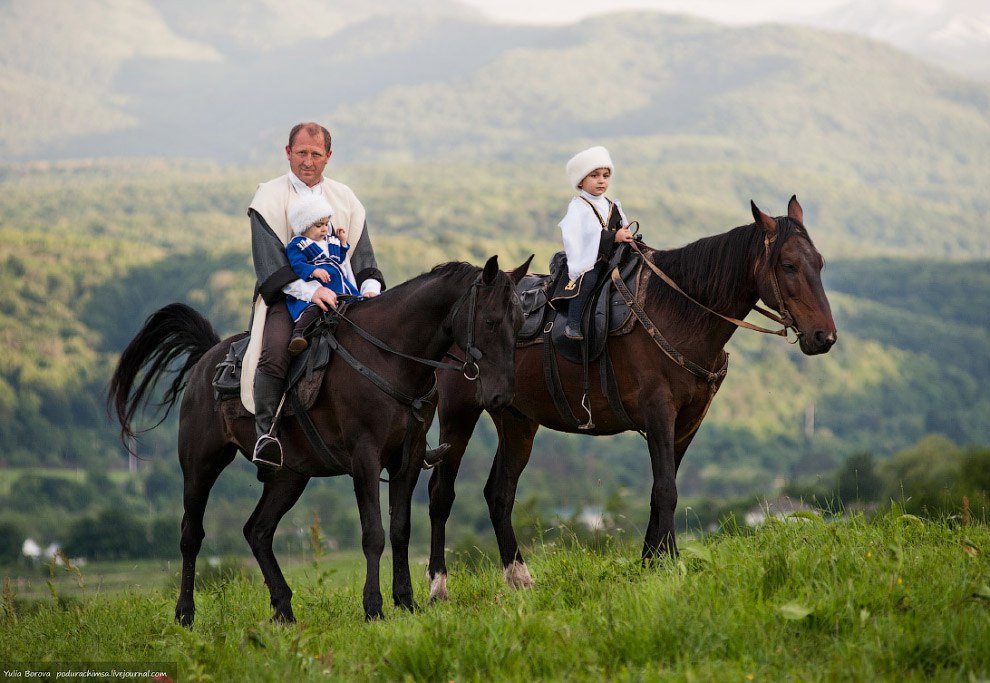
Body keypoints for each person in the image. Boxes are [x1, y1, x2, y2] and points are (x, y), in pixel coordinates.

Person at [246, 122, 384, 476]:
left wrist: (371, 293)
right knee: (275, 355)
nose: (308, 161)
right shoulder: (268, 197)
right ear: (287, 152)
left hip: (346, 295)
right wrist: (314, 290)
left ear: (329, 157)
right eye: (301, 153)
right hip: (287, 299)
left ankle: (407, 436)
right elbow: (271, 268)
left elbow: (364, 261)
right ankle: (267, 437)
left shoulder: (346, 199)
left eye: (316, 154)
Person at [558, 146, 635, 340]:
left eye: (605, 175)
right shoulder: (578, 207)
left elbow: (619, 226)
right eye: (594, 175)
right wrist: (613, 237)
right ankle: (573, 323)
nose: (601, 180)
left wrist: (626, 235)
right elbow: (577, 237)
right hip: (590, 259)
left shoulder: (611, 205)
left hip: (613, 257)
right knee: (589, 278)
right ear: (581, 182)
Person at [284, 194, 360, 356]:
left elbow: (339, 259)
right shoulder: (298, 244)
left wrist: (343, 242)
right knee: (314, 309)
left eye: (326, 224)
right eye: (319, 225)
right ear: (304, 226)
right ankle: (299, 335)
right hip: (318, 286)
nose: (324, 229)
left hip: (339, 285)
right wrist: (312, 271)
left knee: (357, 304)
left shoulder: (330, 241)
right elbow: (296, 264)